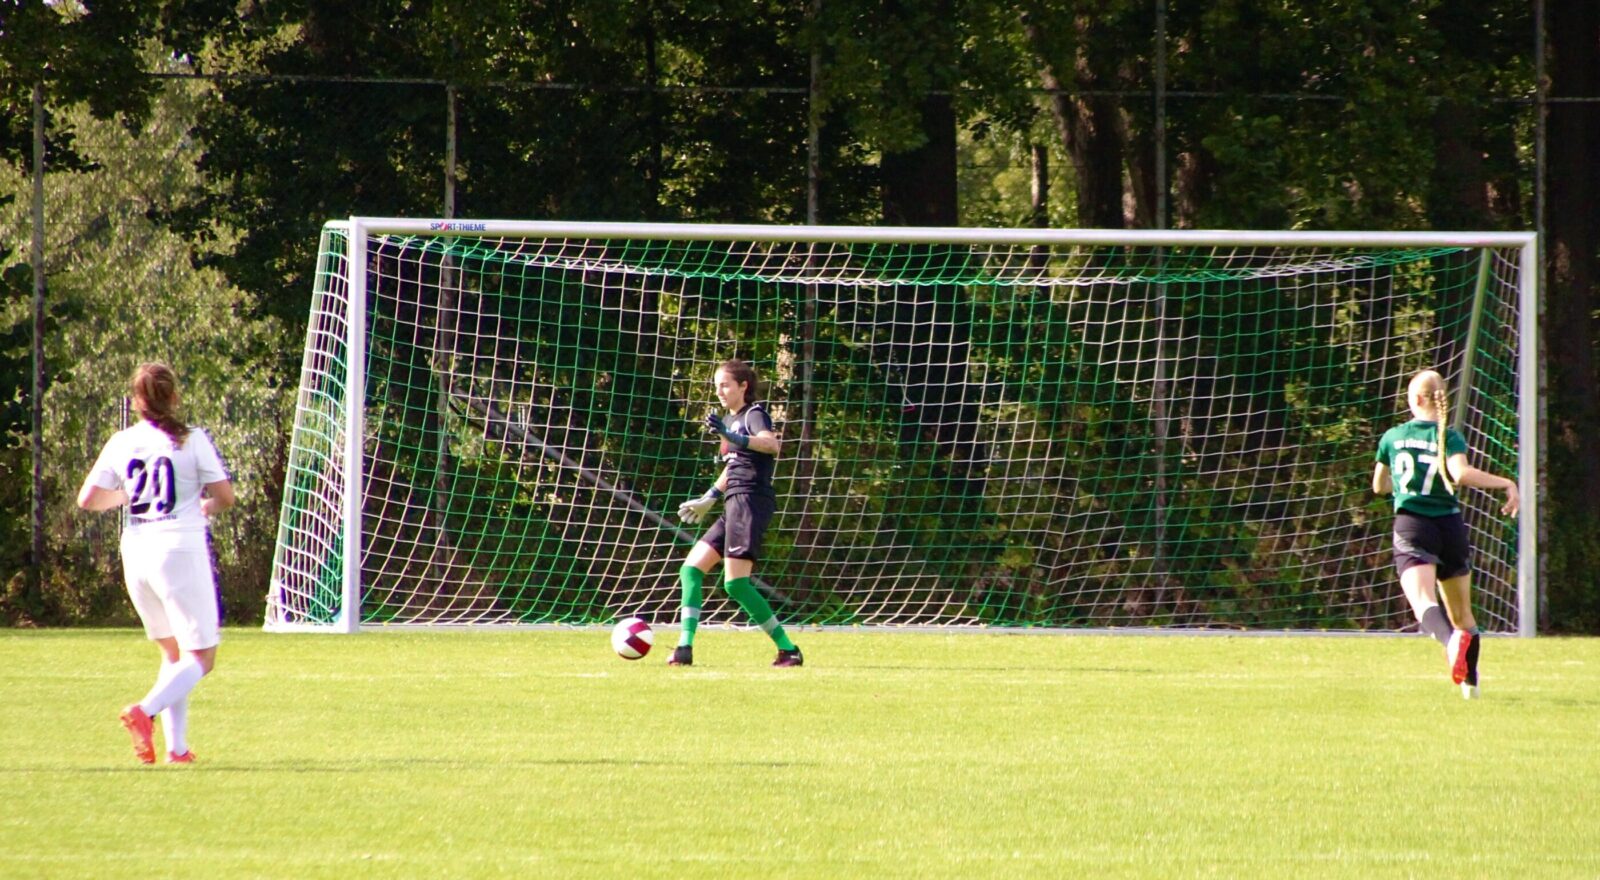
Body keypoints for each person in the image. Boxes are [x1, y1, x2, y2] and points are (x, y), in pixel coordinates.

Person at [77, 363, 235, 763]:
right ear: (174, 397)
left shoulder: (122, 441)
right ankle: (144, 711)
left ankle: (176, 750)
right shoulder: (192, 439)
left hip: (136, 550)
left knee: (173, 653)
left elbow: (88, 500)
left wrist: (126, 496)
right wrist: (205, 506)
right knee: (202, 657)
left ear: (137, 402)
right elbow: (225, 497)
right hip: (178, 549)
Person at [1372, 369, 1518, 699]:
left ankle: (1450, 643)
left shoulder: (1392, 437)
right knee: (1463, 615)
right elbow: (1460, 474)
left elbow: (1379, 486)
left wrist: (1400, 483)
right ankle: (1471, 686)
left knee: (1423, 601)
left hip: (1414, 524)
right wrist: (1506, 483)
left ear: (1416, 399)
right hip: (1450, 526)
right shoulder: (1448, 436)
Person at [670, 359, 802, 667]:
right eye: (716, 386)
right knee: (691, 569)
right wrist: (709, 498)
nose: (719, 391)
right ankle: (684, 647)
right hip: (733, 500)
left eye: (725, 385)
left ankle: (789, 649)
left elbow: (771, 445)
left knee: (736, 584)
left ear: (743, 386)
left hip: (750, 501)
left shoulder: (754, 414)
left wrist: (738, 438)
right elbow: (734, 467)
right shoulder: (728, 421)